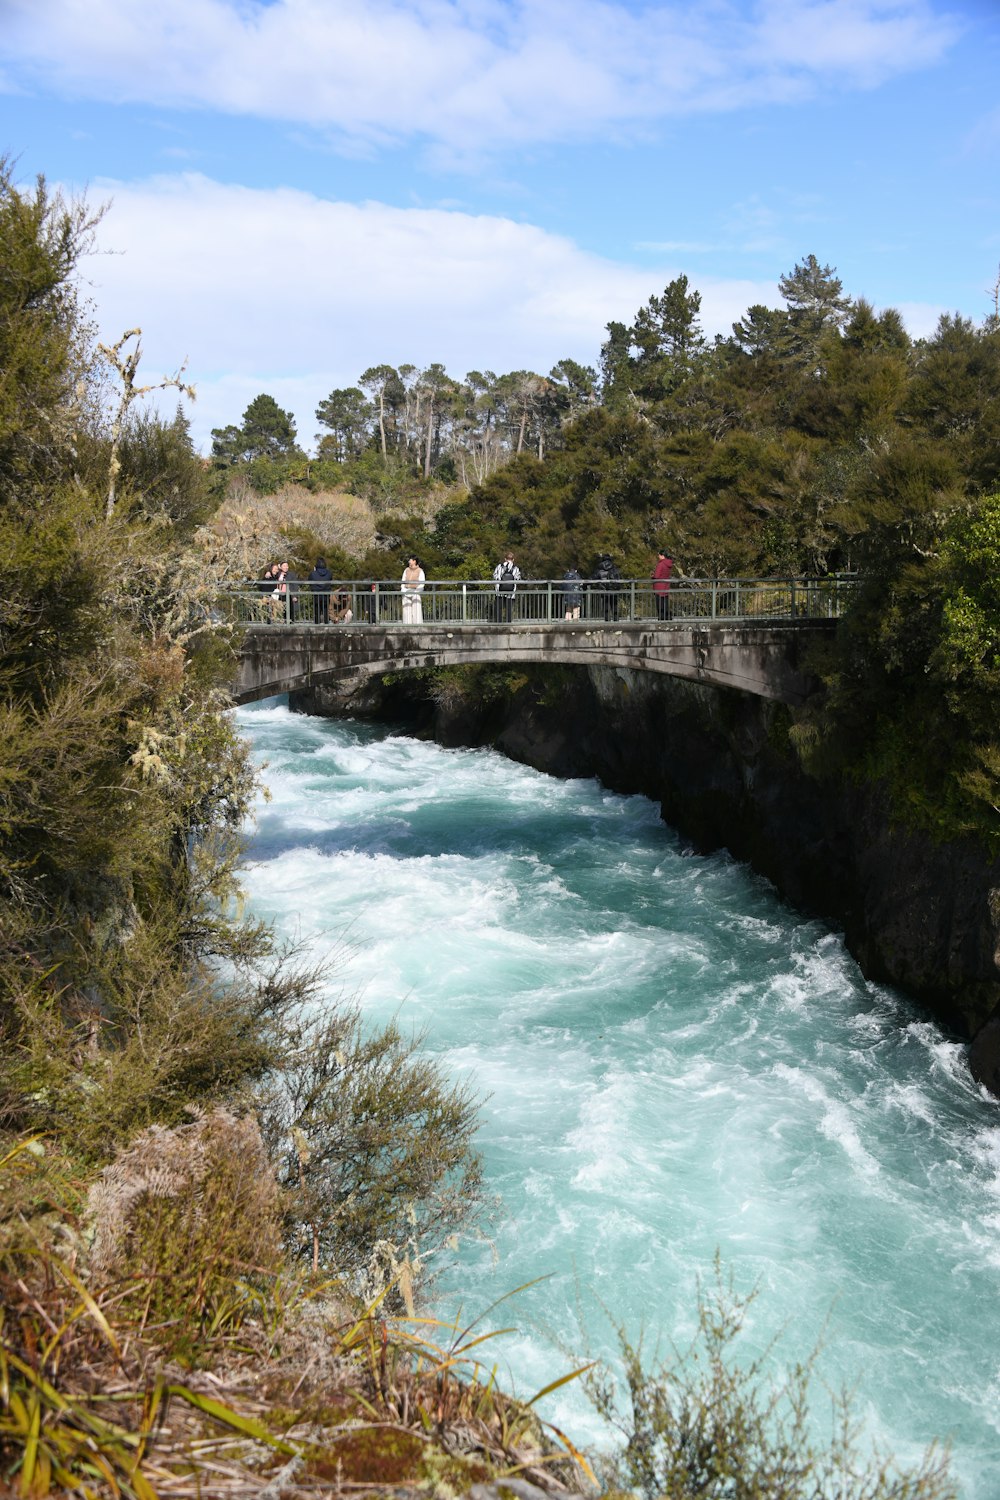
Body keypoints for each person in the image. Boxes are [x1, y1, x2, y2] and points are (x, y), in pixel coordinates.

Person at [591, 553, 622, 621]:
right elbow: (619, 578)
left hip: (604, 590)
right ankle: (616, 620)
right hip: (614, 590)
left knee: (606, 605)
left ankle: (607, 620)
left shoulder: (600, 569)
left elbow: (593, 578)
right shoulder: (614, 568)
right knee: (614, 606)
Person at [493, 551, 521, 623]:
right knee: (509, 609)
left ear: (505, 559)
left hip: (499, 591)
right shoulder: (516, 568)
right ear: (513, 559)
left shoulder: (499, 566)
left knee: (499, 608)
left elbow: (495, 576)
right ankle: (508, 623)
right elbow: (518, 579)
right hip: (511, 592)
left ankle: (498, 623)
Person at [308, 556, 333, 624]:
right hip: (326, 593)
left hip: (316, 593)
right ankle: (326, 622)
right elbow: (330, 580)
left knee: (317, 609)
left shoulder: (313, 573)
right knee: (325, 608)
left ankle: (317, 622)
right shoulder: (329, 573)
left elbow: (309, 581)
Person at [401, 556, 425, 624]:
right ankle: (407, 624)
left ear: (414, 561)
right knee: (406, 609)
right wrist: (403, 589)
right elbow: (403, 580)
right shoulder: (406, 570)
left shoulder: (420, 571)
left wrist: (417, 591)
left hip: (415, 591)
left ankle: (417, 625)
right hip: (406, 591)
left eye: (410, 560)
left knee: (416, 610)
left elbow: (422, 583)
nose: (409, 561)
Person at [653, 548, 673, 621]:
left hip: (659, 587)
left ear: (662, 555)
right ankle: (667, 616)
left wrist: (653, 576)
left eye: (659, 555)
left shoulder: (661, 564)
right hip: (666, 586)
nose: (658, 556)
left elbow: (657, 576)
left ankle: (661, 617)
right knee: (665, 603)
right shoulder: (669, 564)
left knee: (660, 604)